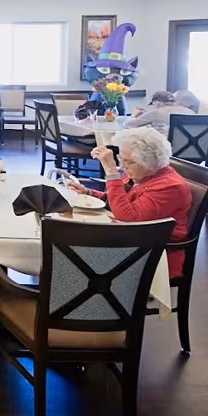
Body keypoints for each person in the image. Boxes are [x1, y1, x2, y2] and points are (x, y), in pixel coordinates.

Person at [69, 128, 192, 279]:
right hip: (131, 241)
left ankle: (82, 294)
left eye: (128, 162)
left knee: (73, 250)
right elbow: (120, 199)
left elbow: (128, 216)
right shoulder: (142, 173)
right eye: (121, 159)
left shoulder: (170, 187)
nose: (123, 166)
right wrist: (88, 192)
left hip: (154, 255)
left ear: (150, 162)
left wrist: (111, 173)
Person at [125, 91, 194, 135]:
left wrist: (134, 114)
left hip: (163, 148)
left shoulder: (155, 112)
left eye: (153, 104)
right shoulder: (189, 111)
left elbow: (128, 125)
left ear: (157, 103)